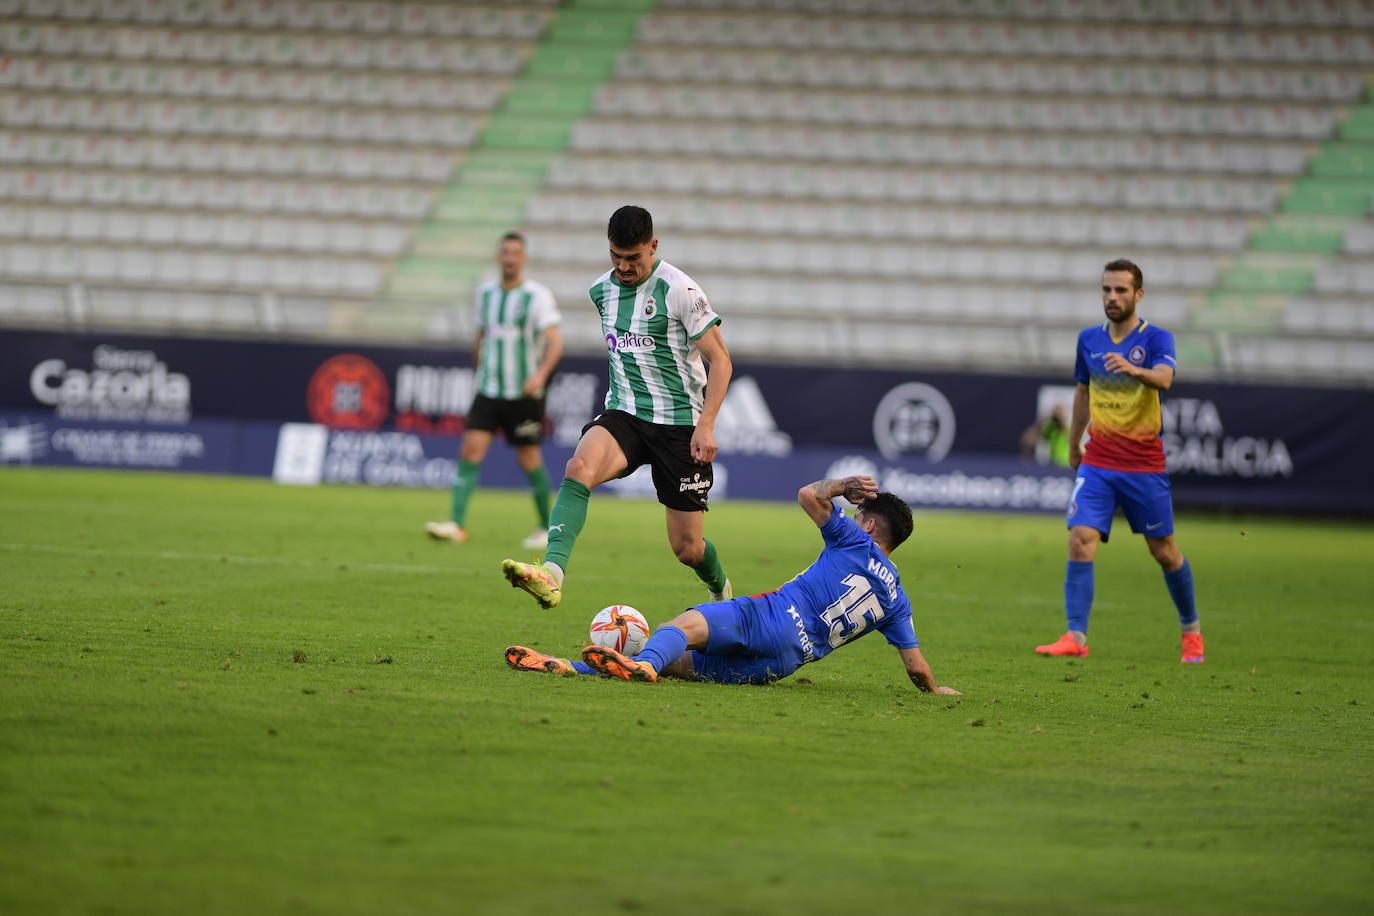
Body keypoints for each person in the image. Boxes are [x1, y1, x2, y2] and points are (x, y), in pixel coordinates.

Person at [504, 475, 959, 695]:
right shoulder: (897, 599)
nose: (855, 518)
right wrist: (936, 691)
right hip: (784, 662)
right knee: (678, 664)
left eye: (861, 514)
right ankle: (566, 667)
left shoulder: (855, 540)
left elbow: (807, 495)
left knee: (683, 625)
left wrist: (841, 486)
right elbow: (916, 668)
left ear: (871, 524)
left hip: (772, 616)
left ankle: (638, 666)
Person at [500, 205, 733, 609]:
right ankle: (552, 575)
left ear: (653, 246)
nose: (623, 267)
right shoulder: (600, 291)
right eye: (616, 256)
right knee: (578, 468)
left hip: (680, 425)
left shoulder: (680, 290)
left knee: (687, 549)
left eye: (633, 258)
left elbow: (721, 361)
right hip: (625, 413)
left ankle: (720, 589)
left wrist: (706, 425)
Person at [1035, 258, 1204, 663]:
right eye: (1107, 290)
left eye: (1121, 290)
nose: (1112, 297)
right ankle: (1076, 635)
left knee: (1164, 552)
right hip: (1098, 462)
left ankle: (1191, 632)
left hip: (1144, 464)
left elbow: (1165, 379)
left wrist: (1133, 368)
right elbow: (1082, 392)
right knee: (1079, 539)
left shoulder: (1157, 339)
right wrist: (1076, 442)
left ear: (1138, 295)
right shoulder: (1089, 340)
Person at [424, 232, 563, 549]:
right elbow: (480, 337)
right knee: (469, 451)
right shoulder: (485, 295)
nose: (510, 258)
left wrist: (540, 376)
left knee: (529, 458)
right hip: (488, 390)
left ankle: (546, 527)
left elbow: (555, 342)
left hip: (523, 394)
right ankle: (457, 524)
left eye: (516, 253)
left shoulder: (536, 296)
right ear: (499, 257)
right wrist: (479, 371)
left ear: (523, 258)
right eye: (505, 252)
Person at [1019, 402, 1071, 468]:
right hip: (1055, 464)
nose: (1058, 414)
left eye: (1060, 412)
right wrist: (1043, 421)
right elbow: (1028, 439)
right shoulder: (1050, 426)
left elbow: (1069, 437)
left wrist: (1061, 423)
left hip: (1067, 463)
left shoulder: (1068, 426)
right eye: (1056, 411)